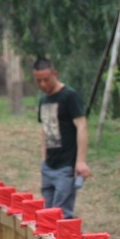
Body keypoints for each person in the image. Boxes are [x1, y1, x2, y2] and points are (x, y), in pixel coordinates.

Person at [32, 58, 91, 218]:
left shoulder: (69, 96)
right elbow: (44, 129)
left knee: (61, 215)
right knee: (46, 216)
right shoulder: (43, 100)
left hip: (66, 167)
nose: (43, 84)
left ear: (55, 74)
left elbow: (81, 126)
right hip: (49, 166)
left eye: (46, 79)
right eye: (38, 81)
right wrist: (44, 159)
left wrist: (80, 161)